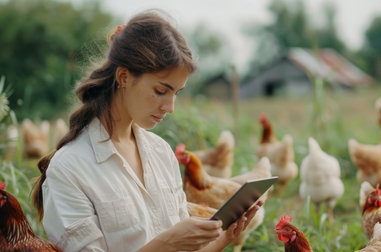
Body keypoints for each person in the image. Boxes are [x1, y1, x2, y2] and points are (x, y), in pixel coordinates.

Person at [31, 10, 263, 252]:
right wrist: (166, 243)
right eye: (161, 91)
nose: (170, 107)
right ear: (123, 77)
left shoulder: (161, 153)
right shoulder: (70, 168)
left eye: (176, 93)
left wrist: (225, 236)